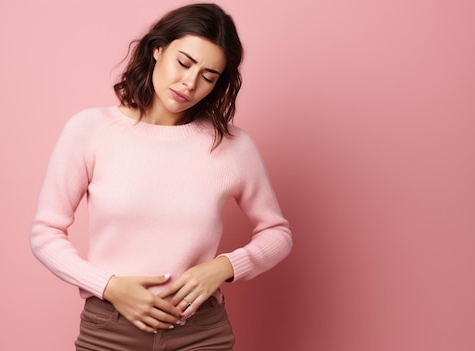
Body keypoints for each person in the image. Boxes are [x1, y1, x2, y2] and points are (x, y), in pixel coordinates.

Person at [30, 3, 292, 350]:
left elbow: (278, 233)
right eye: (184, 63)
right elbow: (45, 233)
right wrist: (108, 285)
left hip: (201, 332)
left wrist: (222, 267)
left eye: (208, 77)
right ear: (157, 49)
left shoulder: (233, 147)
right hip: (110, 328)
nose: (190, 82)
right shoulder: (91, 130)